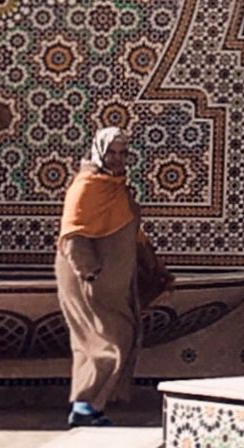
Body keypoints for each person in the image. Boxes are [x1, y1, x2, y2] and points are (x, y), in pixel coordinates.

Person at [55, 125, 152, 429]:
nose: (117, 159)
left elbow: (129, 232)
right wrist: (91, 273)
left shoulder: (116, 187)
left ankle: (88, 406)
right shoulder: (87, 186)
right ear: (99, 150)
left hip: (111, 280)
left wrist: (152, 269)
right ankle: (85, 405)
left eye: (123, 153)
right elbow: (73, 236)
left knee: (95, 341)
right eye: (111, 152)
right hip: (90, 279)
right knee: (110, 338)